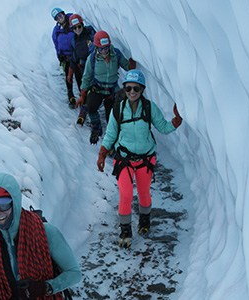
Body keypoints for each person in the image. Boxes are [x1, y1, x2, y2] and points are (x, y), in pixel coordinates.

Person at [96, 69, 182, 248]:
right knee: (126, 194)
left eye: (136, 88)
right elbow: (111, 134)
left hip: (145, 159)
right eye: (128, 88)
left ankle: (144, 221)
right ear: (124, 89)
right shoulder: (118, 110)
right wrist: (102, 153)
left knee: (144, 193)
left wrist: (176, 120)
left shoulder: (149, 108)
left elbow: (163, 127)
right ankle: (125, 230)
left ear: (142, 89)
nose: (132, 92)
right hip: (124, 159)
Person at [76, 30, 136, 144]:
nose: (104, 51)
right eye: (101, 49)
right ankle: (97, 126)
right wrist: (83, 95)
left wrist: (131, 64)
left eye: (106, 48)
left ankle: (113, 139)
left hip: (112, 90)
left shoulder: (116, 54)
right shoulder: (92, 58)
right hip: (97, 88)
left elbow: (127, 66)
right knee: (91, 106)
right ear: (97, 48)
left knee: (112, 117)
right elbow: (87, 76)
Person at [66, 14, 96, 125]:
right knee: (84, 89)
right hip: (84, 67)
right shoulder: (74, 40)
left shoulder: (90, 33)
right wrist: (70, 73)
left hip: (95, 65)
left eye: (79, 26)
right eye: (74, 28)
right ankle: (84, 112)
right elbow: (74, 58)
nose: (77, 29)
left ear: (82, 24)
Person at [51, 7, 76, 109]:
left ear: (63, 14)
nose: (60, 18)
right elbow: (56, 44)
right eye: (57, 18)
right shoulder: (56, 30)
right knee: (68, 76)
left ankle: (84, 98)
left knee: (79, 76)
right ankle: (71, 96)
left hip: (76, 55)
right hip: (65, 56)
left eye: (60, 15)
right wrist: (59, 56)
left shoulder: (73, 22)